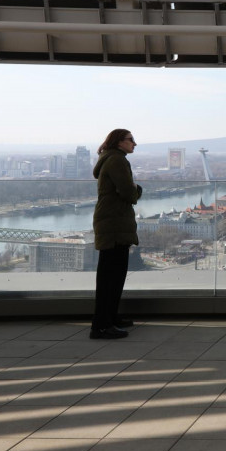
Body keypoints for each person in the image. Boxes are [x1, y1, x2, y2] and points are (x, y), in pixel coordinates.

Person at [90, 129, 142, 339]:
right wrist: (138, 189)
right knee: (111, 275)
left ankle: (110, 318)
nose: (134, 143)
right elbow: (129, 193)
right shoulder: (118, 161)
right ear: (119, 142)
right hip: (114, 223)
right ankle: (101, 325)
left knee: (111, 273)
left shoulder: (109, 159)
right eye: (131, 140)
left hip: (111, 222)